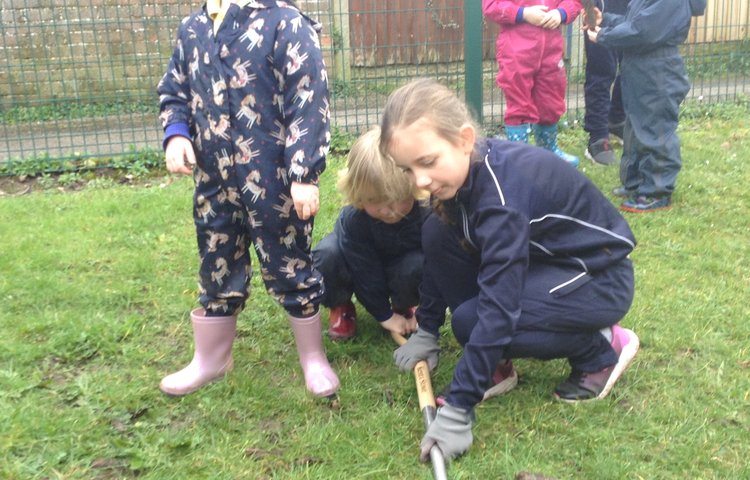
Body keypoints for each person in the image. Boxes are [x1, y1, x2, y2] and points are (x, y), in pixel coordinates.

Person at [380, 78, 640, 461]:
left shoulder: (500, 202)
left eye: (428, 162)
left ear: (464, 140)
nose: (419, 181)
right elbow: (440, 259)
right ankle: (495, 362)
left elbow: (499, 309)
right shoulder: (457, 182)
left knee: (473, 322)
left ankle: (600, 349)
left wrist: (457, 411)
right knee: (436, 231)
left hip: (597, 278)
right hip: (545, 267)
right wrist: (428, 330)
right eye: (407, 169)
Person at [156, 0, 339, 398]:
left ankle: (313, 357)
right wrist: (177, 133)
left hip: (276, 182)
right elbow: (175, 89)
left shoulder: (286, 23)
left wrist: (304, 173)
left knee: (289, 261)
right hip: (213, 181)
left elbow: (308, 100)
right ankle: (212, 358)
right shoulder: (193, 29)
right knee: (216, 261)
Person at [587, 0, 706, 211]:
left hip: (658, 70)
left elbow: (643, 31)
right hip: (640, 68)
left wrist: (604, 36)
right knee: (634, 128)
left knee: (655, 131)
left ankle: (656, 191)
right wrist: (605, 20)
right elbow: (633, 21)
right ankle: (635, 183)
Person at [312, 127, 428, 340]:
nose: (388, 210)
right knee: (326, 256)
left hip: (399, 267)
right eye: (374, 201)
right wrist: (383, 315)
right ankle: (341, 305)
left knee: (418, 264)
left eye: (398, 199)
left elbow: (441, 266)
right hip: (357, 265)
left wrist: (429, 312)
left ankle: (404, 306)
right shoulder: (355, 220)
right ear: (358, 193)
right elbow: (364, 269)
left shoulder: (427, 214)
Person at [483, 0, 583, 167]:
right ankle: (519, 158)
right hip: (516, 49)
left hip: (551, 49)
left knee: (551, 101)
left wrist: (561, 13)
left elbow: (574, 2)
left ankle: (548, 151)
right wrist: (523, 14)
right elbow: (491, 6)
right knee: (518, 103)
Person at [582, 0, 629, 166]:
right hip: (600, 7)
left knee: (632, 68)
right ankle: (598, 134)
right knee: (601, 70)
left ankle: (617, 120)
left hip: (634, 8)